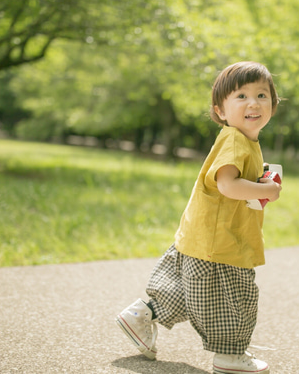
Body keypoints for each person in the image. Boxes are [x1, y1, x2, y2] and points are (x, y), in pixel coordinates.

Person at [115, 61, 282, 374]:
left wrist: (259, 187)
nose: (253, 103)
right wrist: (268, 191)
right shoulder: (234, 140)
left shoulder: (244, 140)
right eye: (241, 96)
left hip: (204, 236)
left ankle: (140, 315)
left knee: (192, 294)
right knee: (234, 300)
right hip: (221, 244)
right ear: (220, 110)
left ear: (274, 103)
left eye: (262, 95)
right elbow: (227, 184)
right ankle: (230, 356)